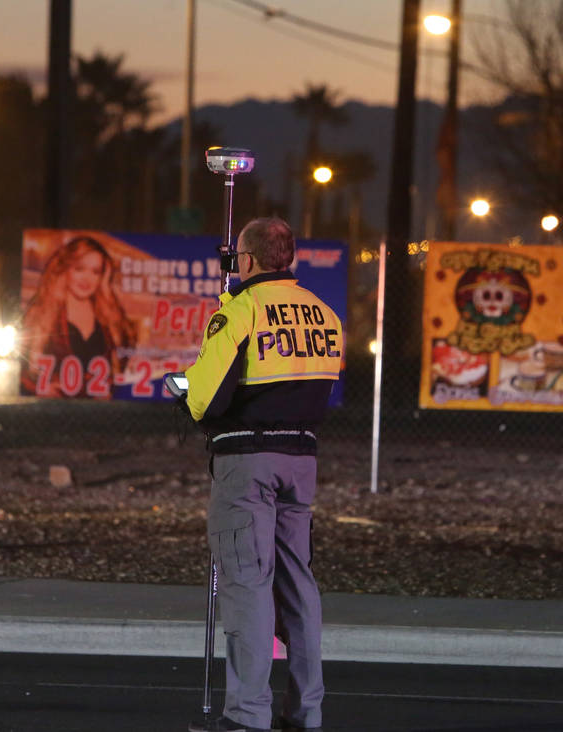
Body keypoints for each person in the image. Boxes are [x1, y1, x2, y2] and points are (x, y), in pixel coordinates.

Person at [184, 217, 343, 732]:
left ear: (246, 261)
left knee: (248, 586)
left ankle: (247, 716)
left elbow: (205, 398)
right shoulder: (325, 315)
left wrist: (187, 387)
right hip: (302, 461)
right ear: (289, 258)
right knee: (298, 585)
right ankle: (306, 712)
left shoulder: (241, 311)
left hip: (246, 463)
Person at [20, 236, 135, 397]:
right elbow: (20, 366)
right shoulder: (40, 314)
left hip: (100, 414)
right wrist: (38, 388)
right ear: (65, 269)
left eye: (95, 271)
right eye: (79, 269)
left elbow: (124, 361)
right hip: (52, 412)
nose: (87, 278)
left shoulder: (110, 320)